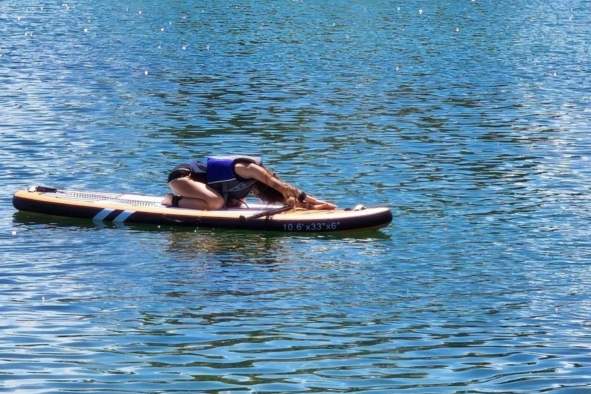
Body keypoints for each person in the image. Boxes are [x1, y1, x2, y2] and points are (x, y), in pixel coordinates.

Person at [162, 155, 336, 210]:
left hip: (198, 187)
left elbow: (283, 196)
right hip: (183, 177)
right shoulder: (250, 169)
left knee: (226, 203)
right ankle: (172, 200)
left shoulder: (254, 185)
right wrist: (315, 200)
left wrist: (312, 207)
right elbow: (283, 188)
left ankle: (182, 200)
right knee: (216, 202)